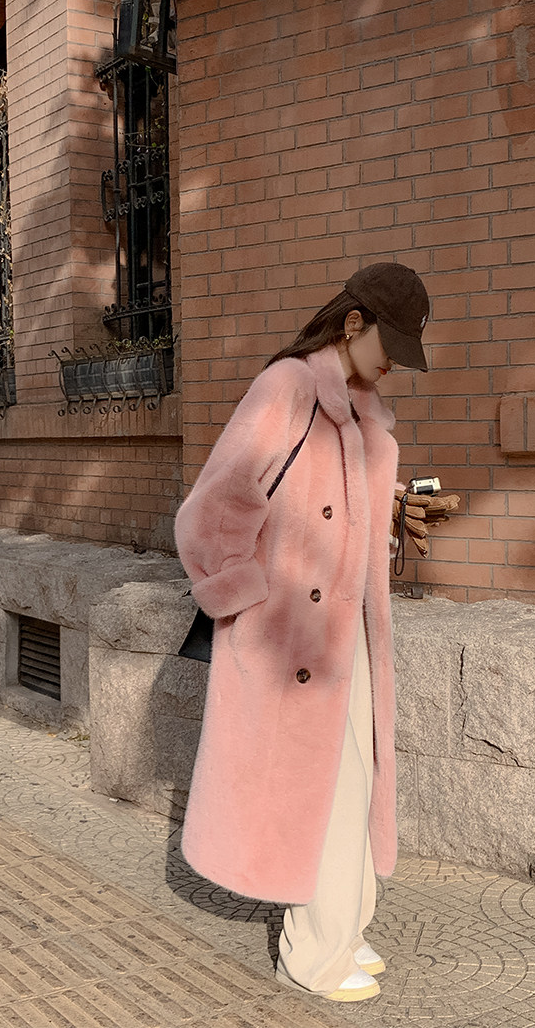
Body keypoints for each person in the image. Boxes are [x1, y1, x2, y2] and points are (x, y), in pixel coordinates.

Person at [174, 262, 430, 1002]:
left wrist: (393, 515)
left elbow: (334, 512)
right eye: (390, 343)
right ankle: (312, 955)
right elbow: (214, 508)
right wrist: (246, 604)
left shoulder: (363, 413)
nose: (395, 363)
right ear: (353, 324)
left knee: (356, 779)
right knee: (324, 790)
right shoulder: (287, 388)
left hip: (348, 633)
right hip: (288, 639)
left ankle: (344, 927)